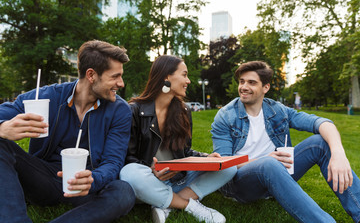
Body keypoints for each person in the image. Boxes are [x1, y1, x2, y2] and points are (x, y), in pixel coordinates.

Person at [0, 40, 136, 223]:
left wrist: (93, 179)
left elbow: (113, 161)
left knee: (123, 192)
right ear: (91, 75)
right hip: (43, 178)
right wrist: (2, 127)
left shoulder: (119, 110)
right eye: (115, 76)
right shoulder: (47, 96)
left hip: (85, 185)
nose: (121, 83)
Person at [211, 61, 360, 222]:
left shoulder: (277, 110)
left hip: (278, 174)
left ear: (265, 88)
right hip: (241, 185)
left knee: (320, 143)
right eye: (242, 81)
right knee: (269, 164)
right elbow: (224, 163)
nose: (244, 87)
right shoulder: (226, 116)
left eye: (251, 82)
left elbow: (321, 123)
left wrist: (338, 153)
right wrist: (263, 160)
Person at [120, 55, 236, 223]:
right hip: (147, 180)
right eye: (184, 74)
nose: (188, 80)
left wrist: (206, 159)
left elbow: (185, 151)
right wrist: (151, 169)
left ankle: (167, 203)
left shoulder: (183, 110)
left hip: (177, 179)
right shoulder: (134, 111)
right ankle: (189, 205)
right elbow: (127, 158)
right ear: (167, 76)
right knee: (129, 172)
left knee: (229, 168)